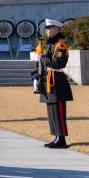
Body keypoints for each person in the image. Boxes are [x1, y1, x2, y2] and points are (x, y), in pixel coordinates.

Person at [34, 18, 74, 149]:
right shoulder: (51, 44)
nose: (47, 31)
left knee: (58, 110)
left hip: (56, 79)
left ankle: (61, 139)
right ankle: (56, 136)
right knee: (51, 110)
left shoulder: (60, 45)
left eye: (49, 28)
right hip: (49, 80)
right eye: (46, 28)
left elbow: (59, 63)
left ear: (57, 29)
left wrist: (43, 59)